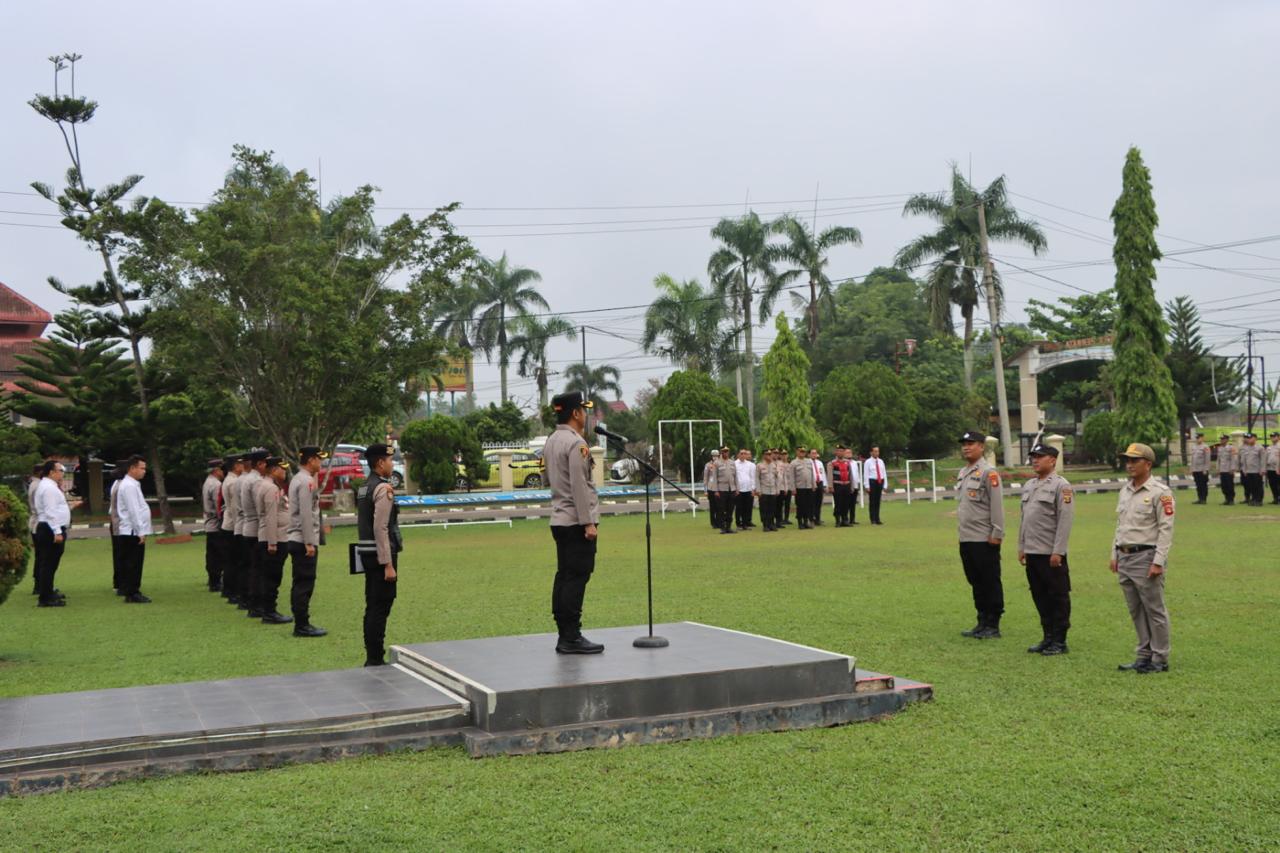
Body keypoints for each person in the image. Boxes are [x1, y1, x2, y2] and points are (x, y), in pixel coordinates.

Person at [544, 392, 602, 654]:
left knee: (565, 576)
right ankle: (571, 636)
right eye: (583, 409)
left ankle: (564, 633)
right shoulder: (577, 443)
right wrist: (588, 522)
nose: (585, 414)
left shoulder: (552, 440)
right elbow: (580, 486)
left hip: (560, 517)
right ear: (576, 413)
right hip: (576, 521)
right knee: (577, 577)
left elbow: (549, 480)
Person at [1112, 442, 1175, 674]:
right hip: (1125, 556)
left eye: (1134, 460)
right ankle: (1144, 654)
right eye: (1127, 460)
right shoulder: (1125, 490)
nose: (1129, 465)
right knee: (1136, 609)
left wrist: (1158, 561)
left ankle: (1160, 658)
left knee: (1154, 609)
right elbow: (1120, 525)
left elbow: (1166, 529)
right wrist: (1114, 553)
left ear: (1148, 464)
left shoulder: (1160, 492)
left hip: (1145, 556)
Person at [1017, 444, 1074, 655]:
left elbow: (1065, 521)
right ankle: (1047, 636)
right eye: (1033, 457)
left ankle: (1060, 640)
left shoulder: (1062, 486)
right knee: (1039, 596)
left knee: (1057, 596)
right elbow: (1025, 520)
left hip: (1050, 553)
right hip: (1032, 552)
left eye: (1040, 457)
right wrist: (1021, 547)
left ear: (1052, 460)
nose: (1035, 460)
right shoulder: (1030, 485)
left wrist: (1058, 551)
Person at [955, 431, 1005, 639]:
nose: (966, 447)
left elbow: (997, 506)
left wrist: (997, 532)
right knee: (975, 580)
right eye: (964, 443)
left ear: (981, 447)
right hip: (966, 537)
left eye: (971, 443)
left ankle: (993, 624)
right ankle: (981, 620)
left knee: (989, 580)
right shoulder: (964, 472)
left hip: (984, 537)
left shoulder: (988, 472)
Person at [358, 443, 403, 666]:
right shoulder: (383, 489)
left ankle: (372, 655)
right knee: (380, 606)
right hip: (380, 554)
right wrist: (387, 563)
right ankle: (375, 657)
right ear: (379, 463)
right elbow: (381, 527)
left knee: (372, 604)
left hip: (366, 552)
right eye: (389, 460)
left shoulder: (364, 487)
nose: (391, 464)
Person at [287, 446, 328, 637]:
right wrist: (309, 543)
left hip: (298, 538)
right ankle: (302, 624)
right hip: (303, 540)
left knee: (301, 582)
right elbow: (305, 513)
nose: (321, 463)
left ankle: (301, 622)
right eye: (319, 459)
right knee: (304, 582)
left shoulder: (299, 478)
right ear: (311, 460)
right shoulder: (305, 481)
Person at [255, 456, 293, 625]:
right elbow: (270, 516)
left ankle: (269, 610)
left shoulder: (270, 485)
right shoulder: (270, 488)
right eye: (282, 469)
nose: (284, 472)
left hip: (275, 537)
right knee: (272, 576)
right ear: (274, 470)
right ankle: (269, 612)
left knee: (271, 576)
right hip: (274, 538)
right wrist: (272, 542)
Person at [115, 455, 153, 603]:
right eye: (142, 468)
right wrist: (140, 531)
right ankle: (132, 592)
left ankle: (131, 590)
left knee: (133, 562)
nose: (144, 471)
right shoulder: (129, 486)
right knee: (134, 563)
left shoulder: (132, 484)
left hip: (132, 530)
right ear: (132, 468)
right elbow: (133, 510)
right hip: (132, 531)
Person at [33, 460, 71, 607]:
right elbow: (50, 512)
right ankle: (45, 597)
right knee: (48, 564)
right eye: (60, 470)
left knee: (50, 563)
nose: (62, 473)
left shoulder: (49, 486)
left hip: (50, 527)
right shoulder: (49, 488)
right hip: (50, 528)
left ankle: (48, 591)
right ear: (51, 472)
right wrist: (57, 531)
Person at [240, 450, 269, 617]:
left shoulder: (248, 478)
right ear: (259, 464)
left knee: (254, 568)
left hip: (249, 527)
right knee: (258, 570)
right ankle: (257, 605)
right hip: (256, 529)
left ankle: (254, 604)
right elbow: (261, 509)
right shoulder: (256, 481)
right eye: (266, 463)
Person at [219, 454, 245, 605]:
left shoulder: (229, 480)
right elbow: (235, 508)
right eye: (241, 464)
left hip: (229, 524)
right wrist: (239, 528)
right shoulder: (233, 482)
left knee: (231, 560)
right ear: (236, 466)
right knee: (234, 561)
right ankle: (231, 591)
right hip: (232, 525)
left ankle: (229, 590)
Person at [202, 458, 226, 592]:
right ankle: (215, 582)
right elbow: (219, 507)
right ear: (217, 470)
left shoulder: (208, 482)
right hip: (215, 524)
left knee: (212, 554)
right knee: (217, 555)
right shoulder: (216, 485)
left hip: (209, 523)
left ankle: (212, 579)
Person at [108, 460, 129, 595]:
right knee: (122, 555)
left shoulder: (116, 483)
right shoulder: (122, 485)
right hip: (120, 524)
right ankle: (122, 583)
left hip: (115, 522)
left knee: (119, 554)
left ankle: (119, 582)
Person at [710, 446, 738, 534]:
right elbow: (714, 478)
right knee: (721, 509)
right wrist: (716, 491)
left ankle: (728, 527)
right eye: (724, 451)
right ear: (721, 453)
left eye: (727, 451)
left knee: (730, 509)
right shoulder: (717, 463)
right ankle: (722, 527)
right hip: (721, 489)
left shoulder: (732, 463)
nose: (726, 453)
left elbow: (735, 477)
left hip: (731, 489)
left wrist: (737, 489)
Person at [827, 446, 854, 527]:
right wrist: (830, 486)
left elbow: (851, 475)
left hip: (846, 485)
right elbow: (830, 476)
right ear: (836, 452)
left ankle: (845, 520)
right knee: (838, 503)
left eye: (842, 451)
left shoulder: (847, 462)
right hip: (837, 485)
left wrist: (852, 486)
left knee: (846, 503)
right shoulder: (832, 463)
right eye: (838, 451)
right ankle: (837, 520)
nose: (840, 452)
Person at [27, 464, 42, 596]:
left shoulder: (35, 484)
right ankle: (39, 584)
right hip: (38, 523)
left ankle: (39, 583)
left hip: (35, 522)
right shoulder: (38, 486)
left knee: (40, 556)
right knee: (42, 556)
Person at [791, 446, 814, 530]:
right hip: (799, 487)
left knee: (808, 505)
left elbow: (812, 474)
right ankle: (800, 522)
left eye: (804, 451)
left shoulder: (808, 461)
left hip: (808, 487)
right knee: (800, 505)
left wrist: (813, 485)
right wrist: (793, 488)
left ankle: (806, 522)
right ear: (797, 452)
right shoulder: (794, 463)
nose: (802, 453)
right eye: (800, 451)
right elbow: (792, 477)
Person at [1239, 433, 1265, 506]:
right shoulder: (1246, 448)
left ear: (1255, 439)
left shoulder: (1260, 448)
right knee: (1251, 486)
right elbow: (1244, 460)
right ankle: (1253, 499)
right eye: (1248, 438)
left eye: (1251, 438)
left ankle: (1259, 500)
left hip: (1257, 471)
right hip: (1248, 471)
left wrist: (1262, 470)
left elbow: (1263, 460)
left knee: (1258, 486)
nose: (1249, 439)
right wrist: (1244, 470)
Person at [863, 446, 887, 526]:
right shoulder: (868, 462)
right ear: (871, 452)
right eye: (875, 451)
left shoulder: (881, 461)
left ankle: (877, 518)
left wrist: (885, 484)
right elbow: (866, 474)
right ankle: (872, 519)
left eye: (878, 451)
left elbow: (884, 473)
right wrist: (867, 485)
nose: (877, 453)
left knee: (878, 501)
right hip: (872, 481)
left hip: (880, 481)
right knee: (872, 501)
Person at [734, 448, 757, 529]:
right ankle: (738, 524)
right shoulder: (734, 464)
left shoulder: (750, 464)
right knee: (739, 507)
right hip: (738, 489)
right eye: (741, 453)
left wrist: (753, 489)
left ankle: (744, 524)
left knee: (746, 508)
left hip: (748, 489)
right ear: (738, 455)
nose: (743, 455)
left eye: (744, 453)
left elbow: (752, 477)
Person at [757, 449, 779, 532]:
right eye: (767, 454)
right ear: (763, 455)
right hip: (764, 490)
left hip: (772, 490)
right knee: (764, 508)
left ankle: (771, 524)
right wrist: (758, 490)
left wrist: (777, 489)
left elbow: (777, 478)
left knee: (772, 508)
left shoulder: (774, 465)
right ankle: (765, 524)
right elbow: (757, 478)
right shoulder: (759, 465)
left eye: (770, 454)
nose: (769, 456)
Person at [1188, 433, 1211, 504]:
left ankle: (1204, 499)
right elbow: (1192, 459)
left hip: (1202, 469)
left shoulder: (1205, 447)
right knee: (1198, 485)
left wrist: (1205, 469)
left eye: (1199, 438)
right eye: (1197, 438)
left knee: (1203, 485)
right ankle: (1199, 498)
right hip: (1195, 469)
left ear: (1203, 438)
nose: (1198, 439)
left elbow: (1207, 459)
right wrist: (1191, 469)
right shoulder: (1194, 447)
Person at [1215, 435, 1238, 505]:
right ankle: (1226, 499)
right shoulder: (1219, 448)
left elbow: (1233, 459)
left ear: (1227, 440)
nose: (1221, 440)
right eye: (1221, 439)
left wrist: (1232, 469)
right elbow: (1218, 460)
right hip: (1222, 470)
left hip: (1228, 470)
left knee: (1230, 485)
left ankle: (1231, 500)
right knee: (1223, 486)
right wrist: (1218, 469)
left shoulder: (1231, 448)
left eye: (1223, 439)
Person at [808, 448, 827, 526]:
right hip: (812, 483)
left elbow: (823, 474)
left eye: (815, 453)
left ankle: (818, 518)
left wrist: (825, 485)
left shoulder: (819, 463)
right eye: (812, 453)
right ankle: (811, 518)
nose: (814, 455)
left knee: (819, 502)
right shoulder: (807, 463)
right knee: (812, 502)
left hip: (820, 483)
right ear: (809, 454)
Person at [702, 449, 720, 529]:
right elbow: (705, 478)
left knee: (719, 506)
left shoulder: (720, 464)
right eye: (713, 456)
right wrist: (705, 490)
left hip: (719, 488)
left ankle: (720, 521)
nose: (715, 457)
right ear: (711, 456)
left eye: (716, 455)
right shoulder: (708, 465)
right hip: (711, 488)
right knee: (713, 507)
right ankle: (713, 523)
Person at [777, 449, 794, 526]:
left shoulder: (790, 465)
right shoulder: (779, 464)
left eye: (785, 454)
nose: (784, 456)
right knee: (780, 504)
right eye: (782, 454)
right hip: (781, 487)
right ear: (780, 455)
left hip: (789, 487)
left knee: (787, 504)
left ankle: (786, 519)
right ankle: (779, 519)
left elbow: (792, 477)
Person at [1267, 432, 1280, 505]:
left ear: (1278, 437)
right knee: (1272, 484)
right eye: (1271, 436)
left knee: (1278, 484)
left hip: (1278, 469)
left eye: (1274, 436)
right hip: (1270, 469)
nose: (1272, 438)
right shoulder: (1269, 447)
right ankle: (1275, 498)